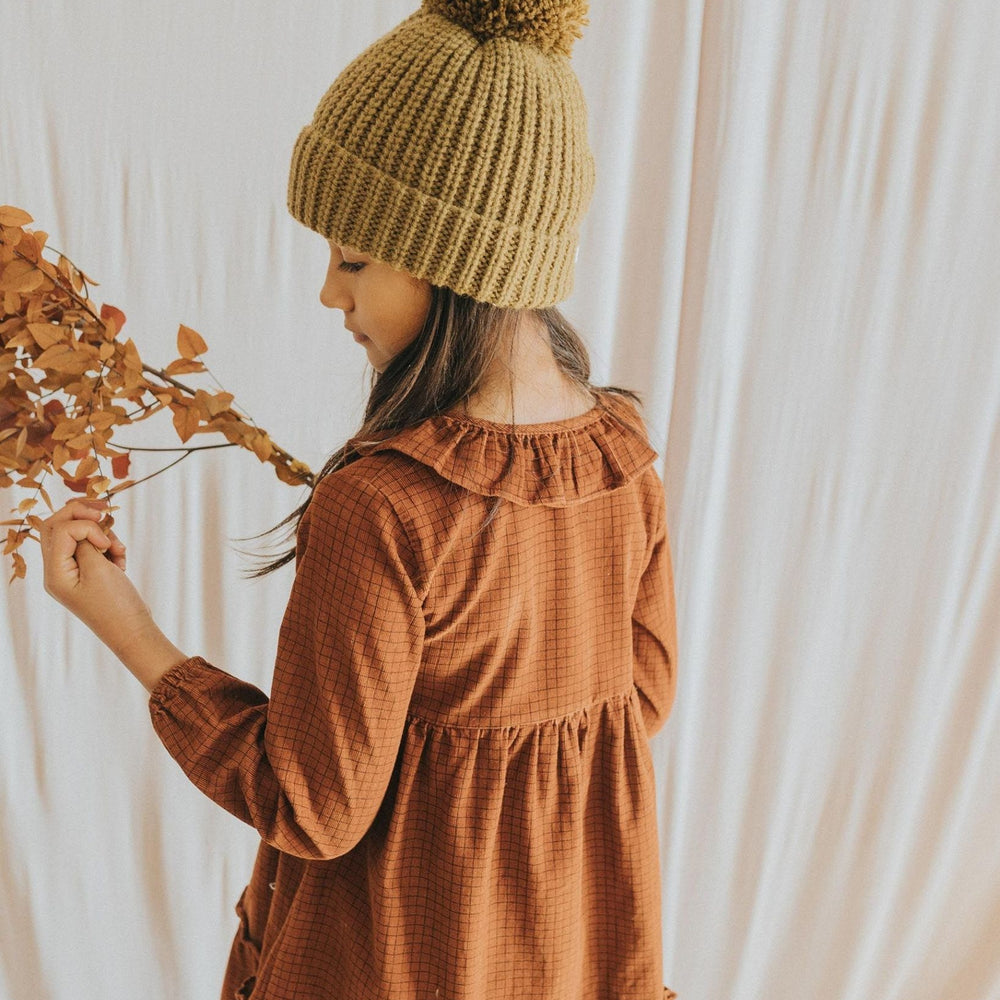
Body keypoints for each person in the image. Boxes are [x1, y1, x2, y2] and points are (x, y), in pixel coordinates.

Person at [40, 1, 678, 997]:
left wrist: (135, 637)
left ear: (456, 264)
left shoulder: (380, 505)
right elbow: (641, 701)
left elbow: (313, 804)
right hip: (565, 953)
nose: (329, 297)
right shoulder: (622, 459)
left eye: (353, 261)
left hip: (387, 959)